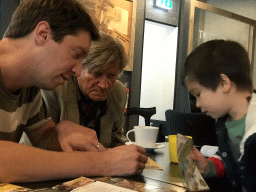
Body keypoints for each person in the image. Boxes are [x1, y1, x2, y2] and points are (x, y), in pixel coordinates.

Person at [0, 0, 147, 183]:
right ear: (43, 34)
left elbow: (43, 139)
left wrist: (60, 131)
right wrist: (101, 162)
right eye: (76, 55)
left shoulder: (29, 86)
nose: (77, 71)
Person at [183, 39, 256, 192]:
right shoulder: (225, 123)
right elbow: (234, 164)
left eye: (198, 94)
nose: (197, 104)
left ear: (224, 83)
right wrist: (208, 167)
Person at [41, 31, 128, 150]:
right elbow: (40, 142)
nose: (104, 85)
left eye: (111, 76)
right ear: (79, 67)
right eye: (97, 74)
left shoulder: (118, 92)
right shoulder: (56, 87)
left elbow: (117, 141)